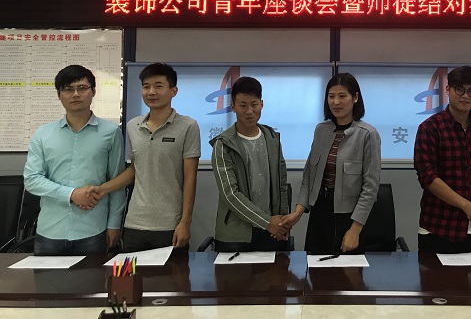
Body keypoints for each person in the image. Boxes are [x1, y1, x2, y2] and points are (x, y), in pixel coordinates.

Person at [97, 63, 200, 252]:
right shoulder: (133, 126)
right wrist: (102, 189)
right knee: (132, 271)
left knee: (173, 272)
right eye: (146, 86)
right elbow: (135, 169)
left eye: (158, 86)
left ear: (173, 91)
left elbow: (190, 178)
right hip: (134, 223)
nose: (151, 92)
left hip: (170, 224)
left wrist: (185, 222)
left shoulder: (188, 126)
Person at [23, 65, 126, 255]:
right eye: (68, 89)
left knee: (93, 276)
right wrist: (71, 194)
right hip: (50, 231)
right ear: (59, 95)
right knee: (47, 276)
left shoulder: (111, 132)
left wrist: (114, 224)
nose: (76, 94)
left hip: (94, 229)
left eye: (82, 88)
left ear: (93, 91)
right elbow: (32, 179)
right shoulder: (43, 134)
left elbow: (117, 182)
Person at [283, 73, 381, 255]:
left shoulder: (367, 134)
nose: (336, 102)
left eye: (342, 96)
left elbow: (370, 187)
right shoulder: (321, 130)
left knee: (346, 270)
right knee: (314, 267)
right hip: (319, 212)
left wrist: (355, 229)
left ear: (355, 97)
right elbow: (309, 175)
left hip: (349, 217)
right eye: (331, 96)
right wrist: (298, 212)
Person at [413, 65, 471, 253]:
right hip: (439, 227)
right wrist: (466, 206)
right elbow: (428, 178)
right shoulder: (430, 128)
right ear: (448, 90)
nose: (465, 96)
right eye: (459, 89)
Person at [211, 76, 290, 252]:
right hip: (236, 235)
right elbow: (230, 195)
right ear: (233, 106)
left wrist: (282, 222)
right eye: (243, 105)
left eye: (254, 105)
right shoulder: (223, 145)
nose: (249, 111)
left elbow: (282, 184)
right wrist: (267, 222)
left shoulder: (272, 138)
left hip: (271, 231)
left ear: (261, 104)